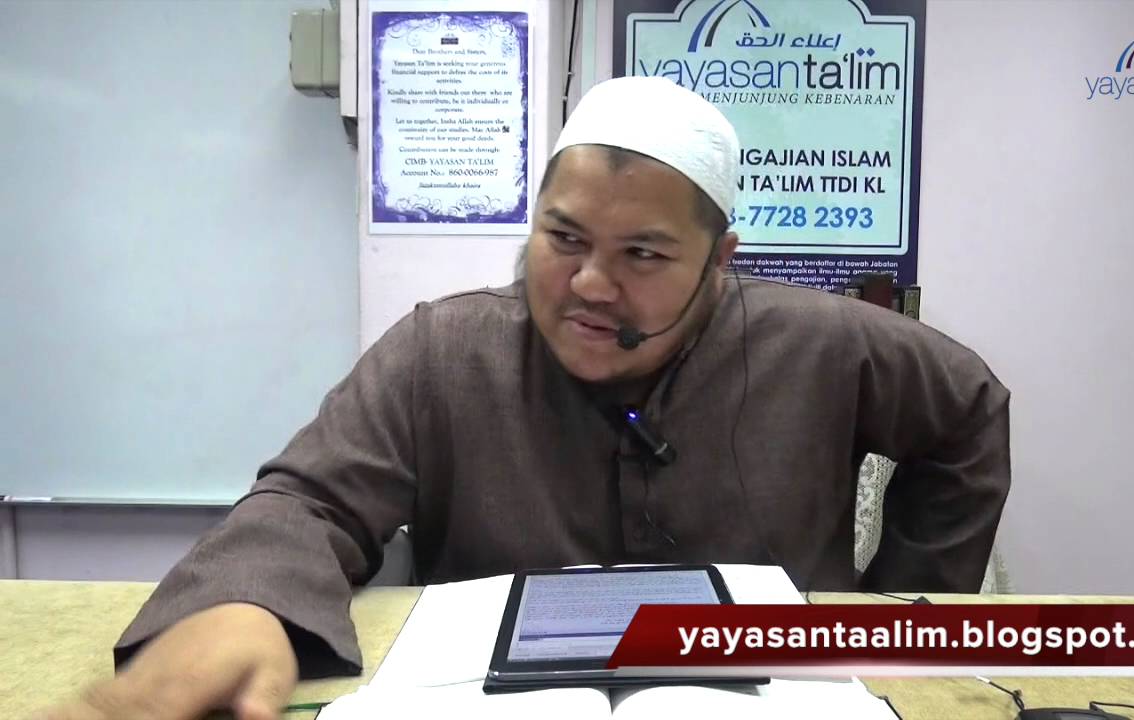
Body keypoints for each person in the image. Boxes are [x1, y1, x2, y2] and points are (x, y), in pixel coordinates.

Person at [38, 76, 1010, 720]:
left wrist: (895, 607)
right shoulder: (445, 350)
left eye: (642, 254)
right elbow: (309, 500)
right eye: (563, 237)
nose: (589, 285)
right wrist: (245, 601)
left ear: (720, 261)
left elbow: (969, 411)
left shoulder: (822, 342)